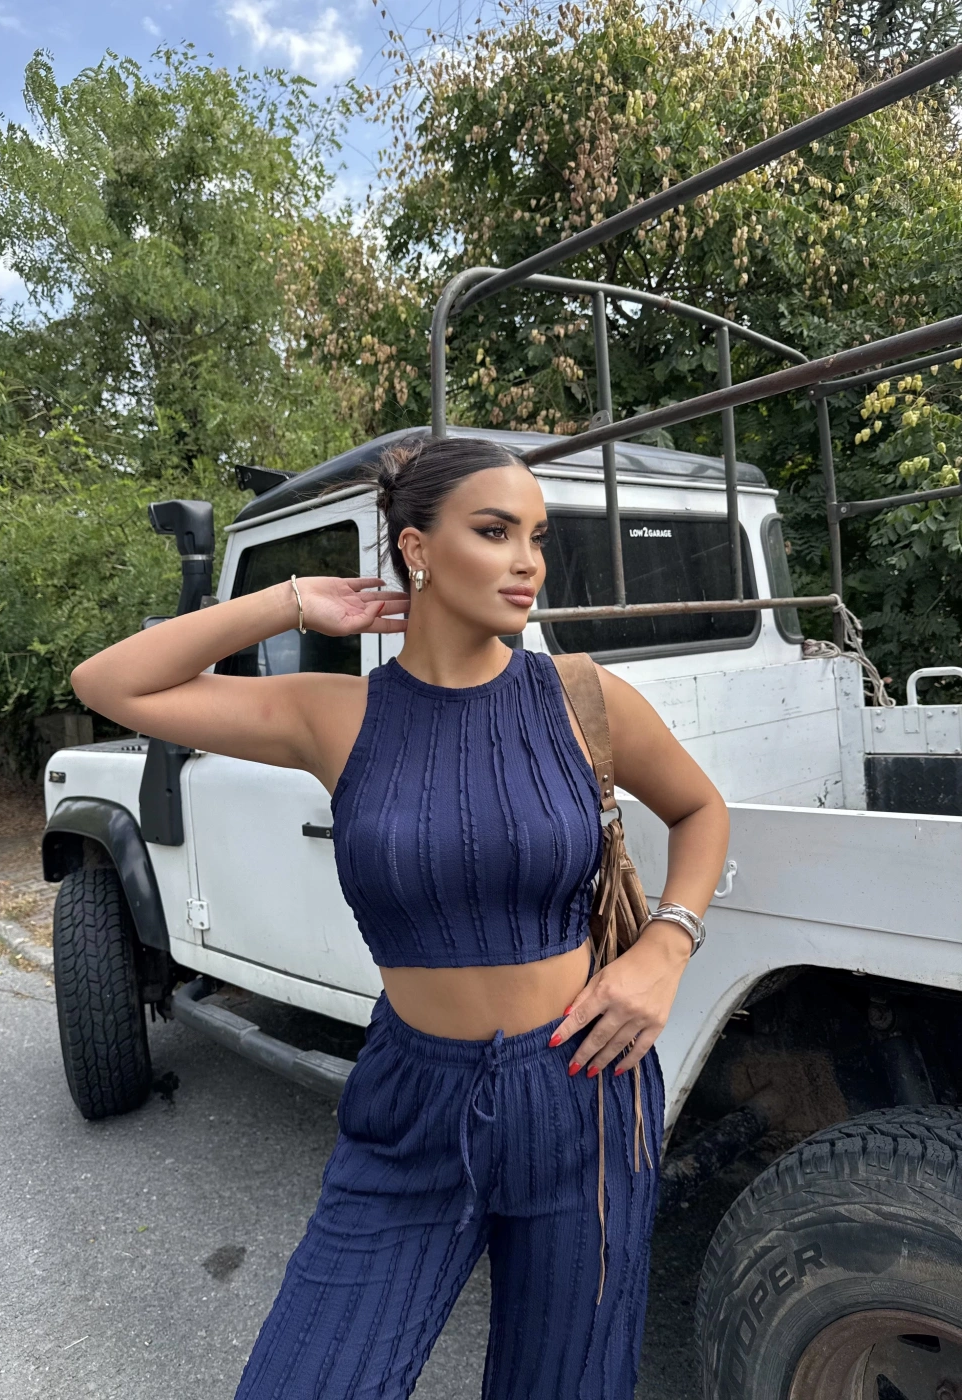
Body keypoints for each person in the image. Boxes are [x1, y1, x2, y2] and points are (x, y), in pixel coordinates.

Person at [70, 435, 730, 1399]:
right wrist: (293, 601)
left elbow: (701, 809)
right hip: (412, 1100)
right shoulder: (334, 714)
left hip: (584, 1088)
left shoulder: (582, 697)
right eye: (495, 532)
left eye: (537, 537)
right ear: (416, 549)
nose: (528, 562)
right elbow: (108, 685)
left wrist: (667, 944)